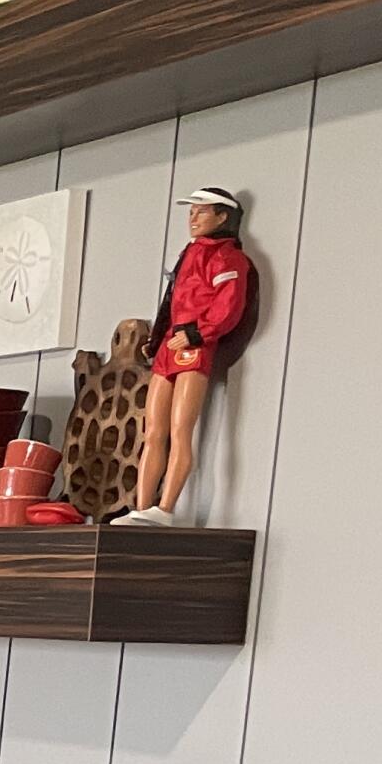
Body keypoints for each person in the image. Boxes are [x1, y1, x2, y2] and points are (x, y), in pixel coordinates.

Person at [122, 186, 256, 523]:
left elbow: (229, 306)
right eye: (191, 212)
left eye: (202, 211)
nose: (193, 218)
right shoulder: (189, 253)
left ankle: (165, 508)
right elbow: (171, 300)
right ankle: (142, 507)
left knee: (181, 429)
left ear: (223, 216)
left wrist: (198, 332)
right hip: (170, 344)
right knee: (152, 430)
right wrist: (157, 338)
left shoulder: (229, 257)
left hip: (193, 347)